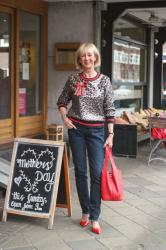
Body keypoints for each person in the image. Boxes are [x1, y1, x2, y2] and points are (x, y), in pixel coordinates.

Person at [57, 42, 115, 234]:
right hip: (77, 130)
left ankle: (95, 217)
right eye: (83, 56)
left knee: (97, 174)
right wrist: (65, 119)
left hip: (97, 131)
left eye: (90, 55)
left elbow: (109, 109)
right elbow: (62, 100)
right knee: (80, 172)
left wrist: (111, 134)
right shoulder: (73, 79)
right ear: (79, 59)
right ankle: (85, 211)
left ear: (95, 58)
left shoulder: (105, 81)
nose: (87, 58)